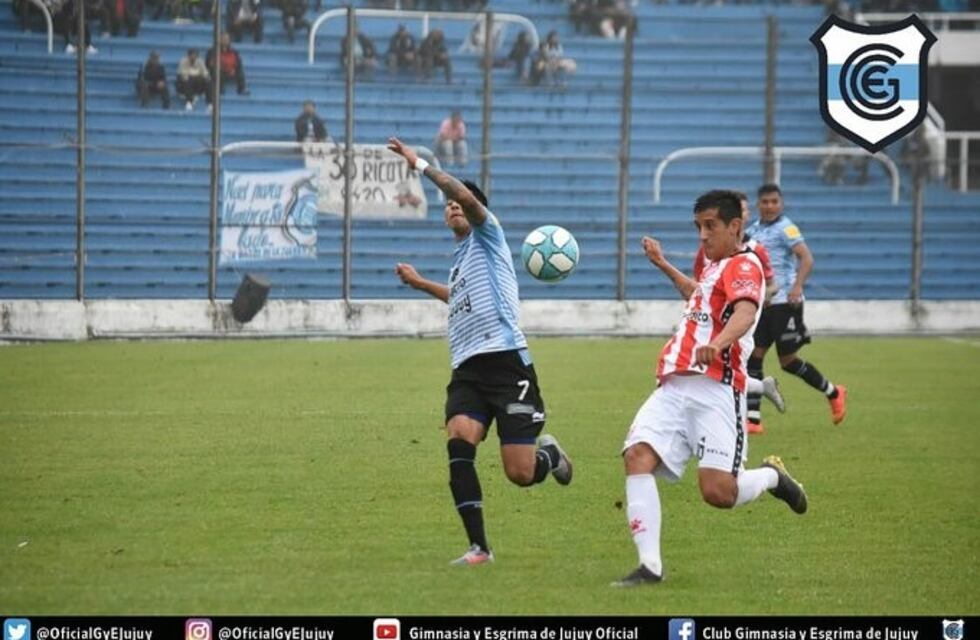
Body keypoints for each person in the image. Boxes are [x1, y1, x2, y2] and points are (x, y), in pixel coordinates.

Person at [387, 137, 573, 566]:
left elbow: (465, 195)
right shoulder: (459, 258)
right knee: (459, 440)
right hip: (467, 368)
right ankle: (479, 548)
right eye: (447, 207)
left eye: (456, 204)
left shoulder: (489, 236)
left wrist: (421, 165)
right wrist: (420, 285)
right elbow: (460, 297)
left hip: (507, 365)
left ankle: (551, 456)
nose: (451, 208)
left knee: (520, 473)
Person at [614, 189, 808, 588]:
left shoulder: (745, 265)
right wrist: (663, 264)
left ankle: (772, 476)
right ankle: (650, 567)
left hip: (717, 389)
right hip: (673, 384)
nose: (702, 236)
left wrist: (717, 344)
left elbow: (745, 311)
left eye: (710, 226)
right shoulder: (714, 267)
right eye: (698, 227)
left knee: (719, 492)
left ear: (734, 226)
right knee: (636, 456)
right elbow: (697, 298)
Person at [744, 184, 847, 430]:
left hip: (785, 304)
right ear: (758, 204)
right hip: (765, 303)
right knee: (754, 357)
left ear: (781, 204)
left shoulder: (786, 228)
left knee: (787, 361)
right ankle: (753, 419)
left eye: (774, 202)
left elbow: (806, 257)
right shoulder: (753, 231)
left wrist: (797, 286)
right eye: (765, 202)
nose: (769, 206)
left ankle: (833, 392)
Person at [684, 192, 785, 432]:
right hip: (711, 327)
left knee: (722, 374)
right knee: (702, 373)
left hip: (737, 328)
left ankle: (747, 421)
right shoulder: (708, 251)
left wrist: (754, 302)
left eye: (746, 209)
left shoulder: (754, 252)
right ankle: (760, 392)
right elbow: (700, 286)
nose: (703, 233)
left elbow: (770, 284)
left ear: (738, 221)